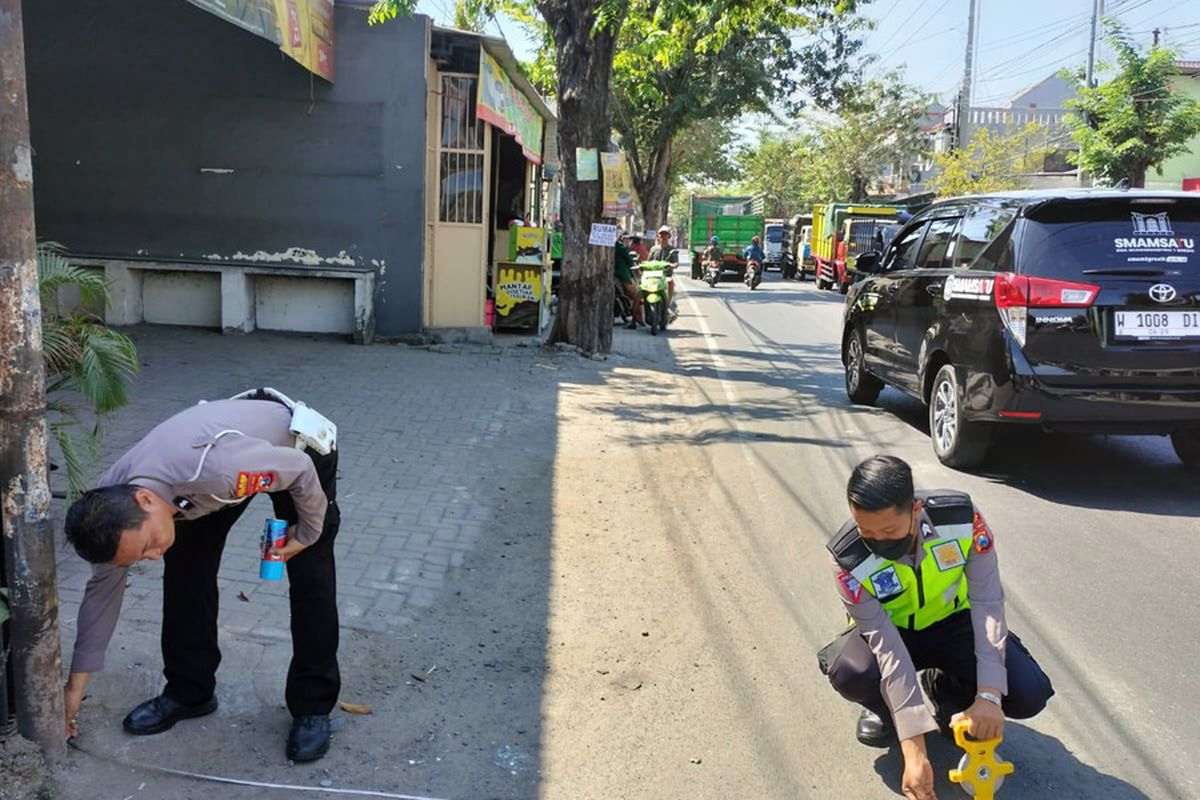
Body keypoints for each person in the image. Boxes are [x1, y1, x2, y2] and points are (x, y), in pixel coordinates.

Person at [62, 390, 343, 763]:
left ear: (145, 500)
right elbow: (101, 600)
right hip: (200, 479)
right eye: (141, 556)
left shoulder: (219, 472)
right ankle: (189, 692)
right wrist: (73, 691)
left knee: (311, 575)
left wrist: (308, 533)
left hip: (295, 449)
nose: (152, 555)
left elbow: (300, 469)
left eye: (148, 544)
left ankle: (313, 706)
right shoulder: (108, 513)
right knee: (184, 572)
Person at [819, 455, 1054, 800]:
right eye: (866, 531)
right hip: (892, 632)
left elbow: (987, 604)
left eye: (888, 531)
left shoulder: (961, 520)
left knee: (1027, 692)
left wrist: (988, 695)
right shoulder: (848, 557)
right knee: (852, 673)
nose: (877, 542)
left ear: (915, 510)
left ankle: (946, 692)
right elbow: (886, 646)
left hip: (953, 623)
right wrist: (914, 748)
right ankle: (888, 712)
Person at [646, 225, 679, 319]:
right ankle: (634, 319)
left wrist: (672, 265)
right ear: (658, 236)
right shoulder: (653, 249)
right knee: (639, 292)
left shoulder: (672, 250)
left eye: (666, 235)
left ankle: (667, 305)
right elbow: (648, 262)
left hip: (665, 276)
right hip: (652, 276)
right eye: (661, 234)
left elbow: (676, 263)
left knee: (670, 282)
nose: (663, 237)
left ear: (669, 236)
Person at [614, 234, 643, 329]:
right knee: (636, 296)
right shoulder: (621, 247)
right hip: (622, 276)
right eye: (626, 239)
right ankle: (639, 319)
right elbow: (630, 261)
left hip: (613, 275)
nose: (627, 241)